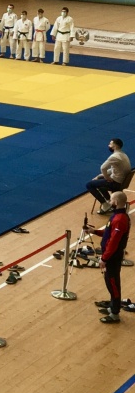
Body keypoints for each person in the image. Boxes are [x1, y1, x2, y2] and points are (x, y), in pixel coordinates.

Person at [92, 191, 130, 324]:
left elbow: (114, 242)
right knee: (110, 282)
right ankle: (113, 306)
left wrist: (104, 258)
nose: (109, 202)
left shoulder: (120, 219)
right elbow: (109, 233)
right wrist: (94, 231)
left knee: (113, 283)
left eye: (111, 200)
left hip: (112, 257)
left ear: (116, 202)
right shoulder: (117, 216)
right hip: (110, 255)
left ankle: (115, 313)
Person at [87, 139, 131, 214]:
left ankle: (105, 204)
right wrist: (100, 176)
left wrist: (107, 177)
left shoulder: (114, 157)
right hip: (122, 181)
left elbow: (103, 168)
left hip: (116, 183)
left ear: (115, 146)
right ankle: (110, 202)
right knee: (100, 180)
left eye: (110, 144)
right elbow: (114, 169)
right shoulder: (123, 155)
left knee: (89, 185)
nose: (108, 145)